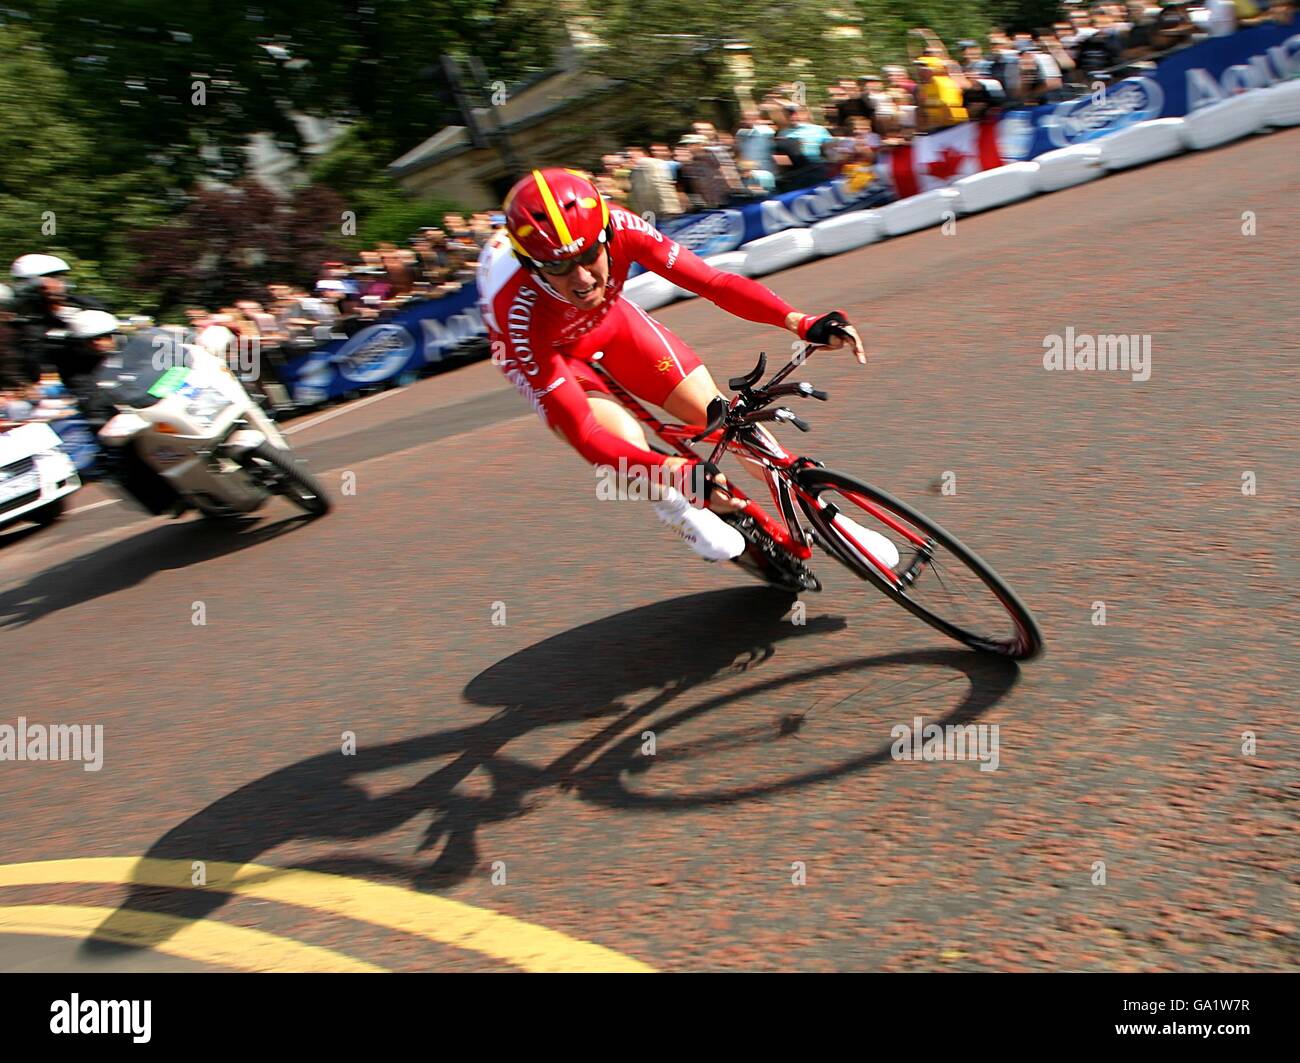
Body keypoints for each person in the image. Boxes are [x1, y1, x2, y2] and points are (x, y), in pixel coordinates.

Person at [478, 168, 868, 567]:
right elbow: (586, 432)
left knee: (723, 417)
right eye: (558, 267)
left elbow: (713, 283)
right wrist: (672, 473)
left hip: (610, 323)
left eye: (588, 256)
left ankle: (828, 516)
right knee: (623, 443)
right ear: (531, 265)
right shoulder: (516, 312)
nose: (580, 278)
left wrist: (800, 322)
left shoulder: (624, 226)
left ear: (606, 235)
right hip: (552, 353)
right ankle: (673, 507)